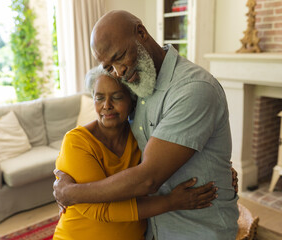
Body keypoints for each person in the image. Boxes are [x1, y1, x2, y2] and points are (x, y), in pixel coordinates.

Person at [54, 10, 239, 240]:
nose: (119, 71)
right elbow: (109, 127)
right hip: (153, 229)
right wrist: (71, 167)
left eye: (120, 56)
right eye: (109, 67)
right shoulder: (136, 85)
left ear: (141, 32)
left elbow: (148, 179)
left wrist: (71, 192)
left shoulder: (193, 88)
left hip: (198, 229)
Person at [53, 66, 218, 240]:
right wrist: (172, 202)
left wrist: (219, 170)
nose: (107, 106)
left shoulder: (142, 136)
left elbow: (175, 155)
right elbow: (99, 209)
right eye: (99, 98)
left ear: (132, 101)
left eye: (116, 97)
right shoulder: (76, 142)